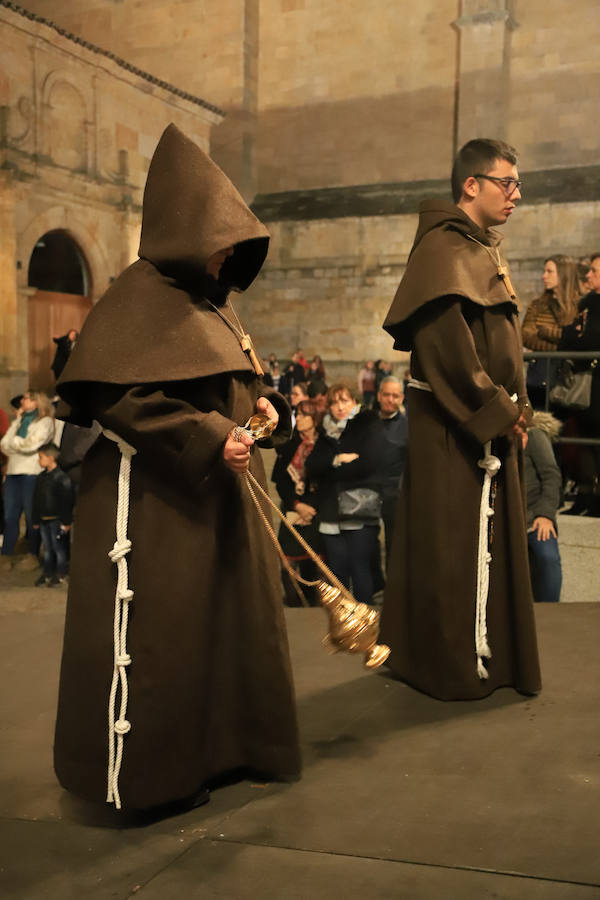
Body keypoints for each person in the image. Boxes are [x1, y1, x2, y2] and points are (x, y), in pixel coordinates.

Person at [53, 123, 301, 813]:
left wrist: (265, 409)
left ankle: (225, 751)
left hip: (213, 499)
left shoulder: (214, 307)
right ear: (185, 232)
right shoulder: (138, 303)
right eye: (219, 242)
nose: (228, 258)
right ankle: (155, 777)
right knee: (165, 638)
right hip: (155, 505)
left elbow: (229, 385)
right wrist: (209, 434)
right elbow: (117, 394)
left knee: (220, 632)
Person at [379, 137, 541, 701]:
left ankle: (491, 656)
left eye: (519, 183)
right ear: (471, 185)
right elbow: (449, 349)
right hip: (455, 427)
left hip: (489, 423)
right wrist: (500, 412)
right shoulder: (443, 250)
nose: (516, 194)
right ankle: (450, 664)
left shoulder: (481, 248)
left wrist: (513, 408)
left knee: (485, 544)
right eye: (507, 182)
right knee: (450, 546)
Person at [305, 382, 383, 606]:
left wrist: (330, 471)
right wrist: (338, 460)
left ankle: (364, 624)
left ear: (355, 401)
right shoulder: (326, 430)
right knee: (336, 571)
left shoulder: (368, 422)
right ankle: (344, 625)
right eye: (334, 402)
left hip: (359, 507)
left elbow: (369, 462)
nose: (339, 406)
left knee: (360, 568)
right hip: (331, 510)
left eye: (344, 400)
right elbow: (312, 466)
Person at [558, 253, 600, 516]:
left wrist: (578, 337)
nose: (588, 275)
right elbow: (568, 338)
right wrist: (577, 336)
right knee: (584, 440)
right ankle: (586, 496)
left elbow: (590, 338)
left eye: (594, 271)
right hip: (587, 386)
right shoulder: (588, 302)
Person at [272, 399, 324, 606]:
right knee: (288, 561)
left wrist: (312, 508)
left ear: (315, 419)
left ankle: (316, 602)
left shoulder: (324, 444)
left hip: (317, 511)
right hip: (294, 508)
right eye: (297, 414)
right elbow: (280, 482)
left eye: (304, 415)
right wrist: (297, 505)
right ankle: (294, 601)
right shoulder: (289, 445)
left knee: (316, 561)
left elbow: (329, 481)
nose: (299, 419)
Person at [0, 391, 55, 572]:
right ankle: (6, 554)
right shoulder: (19, 420)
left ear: (37, 401)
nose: (22, 400)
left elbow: (33, 444)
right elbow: (4, 445)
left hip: (31, 473)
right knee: (10, 516)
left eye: (27, 398)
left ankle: (32, 554)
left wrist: (14, 443)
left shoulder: (44, 421)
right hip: (14, 472)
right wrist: (17, 441)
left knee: (32, 516)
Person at [522, 255, 581, 408]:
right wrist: (559, 347)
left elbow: (576, 338)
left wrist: (545, 332)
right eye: (544, 271)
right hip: (539, 375)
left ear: (563, 274)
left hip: (567, 378)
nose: (544, 276)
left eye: (549, 271)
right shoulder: (537, 305)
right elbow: (526, 336)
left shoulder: (579, 306)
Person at [524, 413, 562, 603]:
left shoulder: (534, 436)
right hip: (504, 520)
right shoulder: (493, 439)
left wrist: (545, 515)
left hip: (534, 517)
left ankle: (549, 615)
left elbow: (551, 476)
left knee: (547, 558)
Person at [375, 376, 408, 563]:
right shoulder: (366, 421)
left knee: (393, 545)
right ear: (379, 395)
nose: (390, 399)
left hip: (394, 495)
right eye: (386, 395)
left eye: (395, 396)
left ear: (401, 398)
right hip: (366, 493)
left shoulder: (408, 427)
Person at [32, 443, 73, 587]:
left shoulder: (62, 478)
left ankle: (61, 573)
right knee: (48, 549)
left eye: (41, 457)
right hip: (44, 520)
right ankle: (48, 573)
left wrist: (66, 522)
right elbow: (36, 500)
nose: (39, 460)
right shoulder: (41, 478)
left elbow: (67, 502)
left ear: (50, 458)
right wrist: (35, 519)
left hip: (56, 520)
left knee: (58, 549)